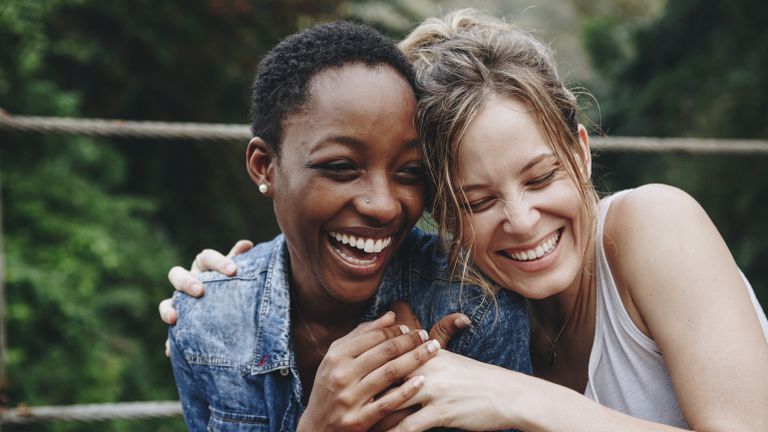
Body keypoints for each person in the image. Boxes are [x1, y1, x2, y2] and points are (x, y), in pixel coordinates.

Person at [165, 9, 768, 432]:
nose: (524, 220)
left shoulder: (653, 227)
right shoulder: (468, 307)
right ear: (440, 212)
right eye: (478, 202)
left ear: (581, 152)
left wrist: (517, 398)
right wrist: (240, 287)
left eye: (540, 177)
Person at [165, 19, 530, 432]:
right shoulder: (207, 323)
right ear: (264, 166)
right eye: (340, 167)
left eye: (409, 171)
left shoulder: (474, 306)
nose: (384, 205)